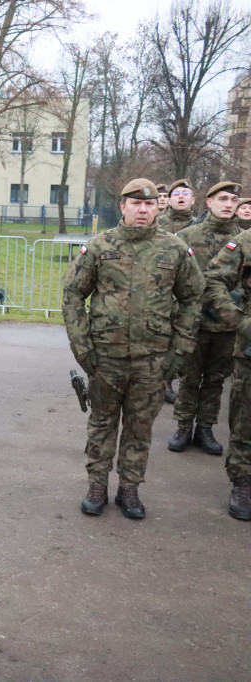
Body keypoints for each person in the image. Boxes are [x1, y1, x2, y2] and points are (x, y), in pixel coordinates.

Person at [62, 178, 204, 520]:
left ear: (159, 207)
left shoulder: (174, 248)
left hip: (153, 359)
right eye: (136, 204)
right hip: (105, 358)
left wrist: (179, 351)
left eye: (150, 204)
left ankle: (130, 488)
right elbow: (72, 295)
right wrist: (82, 348)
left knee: (140, 428)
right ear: (123, 207)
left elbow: (192, 298)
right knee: (102, 423)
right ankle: (97, 485)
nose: (143, 209)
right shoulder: (99, 246)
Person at [168, 181, 241, 457]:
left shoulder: (242, 240)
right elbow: (174, 280)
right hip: (193, 323)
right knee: (189, 377)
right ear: (209, 203)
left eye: (233, 200)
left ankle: (205, 429)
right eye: (222, 198)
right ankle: (183, 426)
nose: (228, 204)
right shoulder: (187, 236)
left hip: (227, 324)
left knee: (215, 380)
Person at [202, 186, 251, 520]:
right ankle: (243, 482)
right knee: (246, 419)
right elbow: (212, 281)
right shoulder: (245, 242)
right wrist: (239, 321)